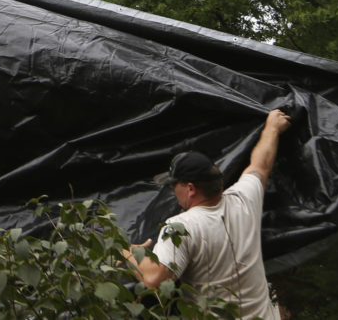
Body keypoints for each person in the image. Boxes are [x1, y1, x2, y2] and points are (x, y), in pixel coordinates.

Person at [122, 109, 292, 319]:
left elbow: (155, 280)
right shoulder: (244, 199)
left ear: (191, 188)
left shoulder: (181, 227)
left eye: (175, 185)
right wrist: (272, 128)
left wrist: (128, 253)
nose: (173, 192)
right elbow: (261, 164)